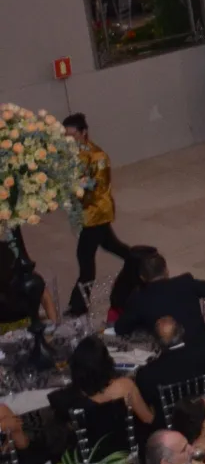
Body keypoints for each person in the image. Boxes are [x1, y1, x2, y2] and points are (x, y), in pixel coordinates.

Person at [62, 114, 132, 316]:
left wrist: (76, 190)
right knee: (112, 245)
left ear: (84, 132)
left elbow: (99, 189)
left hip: (96, 213)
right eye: (66, 135)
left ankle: (78, 306)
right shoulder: (72, 153)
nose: (69, 139)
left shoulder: (98, 156)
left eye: (72, 135)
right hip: (86, 213)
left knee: (85, 257)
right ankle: (140, 262)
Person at [53, 334, 155, 461]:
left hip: (91, 460)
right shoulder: (125, 386)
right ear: (107, 362)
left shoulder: (67, 398)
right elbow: (148, 419)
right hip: (125, 454)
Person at [116, 251, 205, 348]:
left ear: (142, 277)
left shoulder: (139, 298)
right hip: (203, 349)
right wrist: (194, 286)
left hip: (167, 352)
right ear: (166, 270)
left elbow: (121, 328)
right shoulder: (185, 283)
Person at [134, 316, 205, 422]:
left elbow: (146, 405)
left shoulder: (147, 374)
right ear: (182, 331)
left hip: (172, 423)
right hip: (204, 415)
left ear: (157, 342)